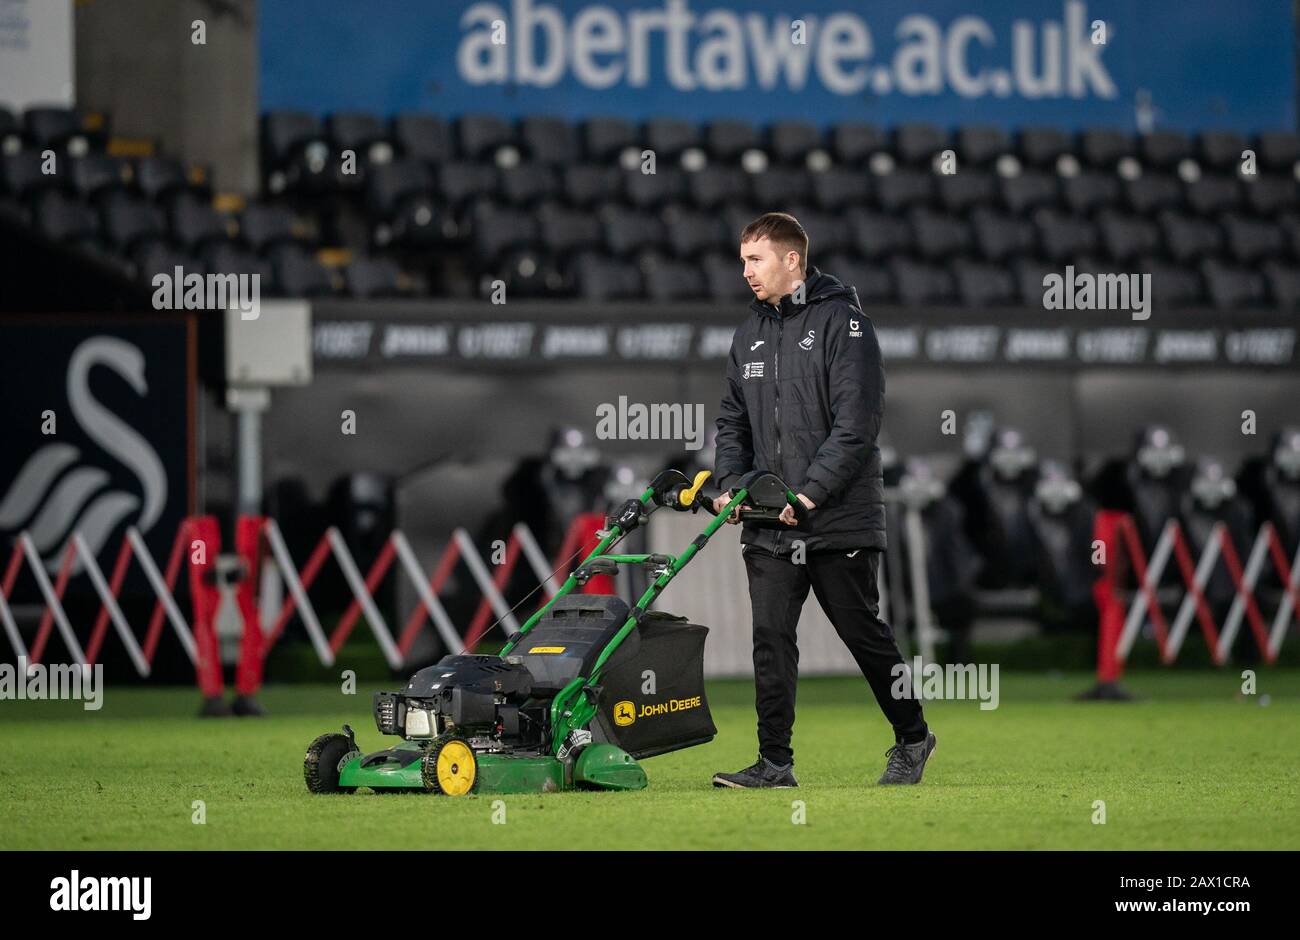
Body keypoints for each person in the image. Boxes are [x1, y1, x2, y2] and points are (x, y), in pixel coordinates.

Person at [710, 212, 936, 788]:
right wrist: (734, 486)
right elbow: (733, 422)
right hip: (770, 523)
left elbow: (857, 424)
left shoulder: (847, 324)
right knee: (771, 640)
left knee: (863, 634)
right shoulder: (747, 333)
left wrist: (808, 496)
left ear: (792, 260)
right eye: (742, 262)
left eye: (754, 260)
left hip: (838, 518)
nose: (746, 273)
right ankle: (774, 764)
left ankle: (913, 737)